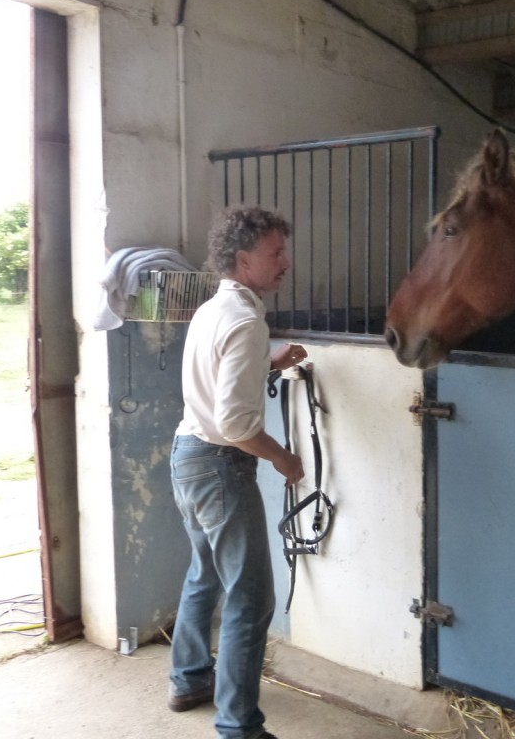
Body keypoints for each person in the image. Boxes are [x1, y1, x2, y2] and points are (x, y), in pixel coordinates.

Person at [168, 205, 307, 739]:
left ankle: (188, 679)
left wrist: (271, 362)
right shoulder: (249, 320)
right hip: (223, 466)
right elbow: (235, 423)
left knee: (205, 574)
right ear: (244, 259)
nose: (285, 263)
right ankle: (239, 727)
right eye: (276, 254)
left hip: (188, 458)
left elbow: (216, 379)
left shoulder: (212, 311)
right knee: (251, 599)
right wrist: (282, 456)